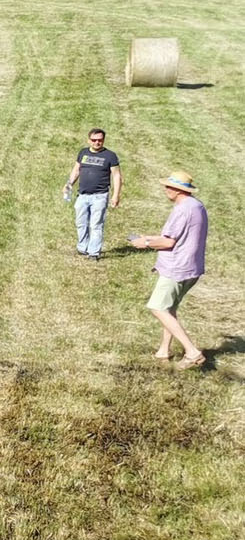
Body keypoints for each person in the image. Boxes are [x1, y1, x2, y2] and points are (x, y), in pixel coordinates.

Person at [128, 171, 208, 369]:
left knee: (158, 307)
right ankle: (164, 349)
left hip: (177, 269)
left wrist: (145, 242)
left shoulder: (181, 210)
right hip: (192, 268)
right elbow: (180, 236)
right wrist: (151, 237)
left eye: (168, 186)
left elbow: (168, 242)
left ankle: (192, 352)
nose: (165, 189)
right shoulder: (197, 206)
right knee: (170, 308)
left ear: (178, 189)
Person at [63, 128, 121, 259]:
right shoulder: (83, 153)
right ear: (89, 140)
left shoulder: (110, 156)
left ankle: (93, 252)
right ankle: (82, 247)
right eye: (94, 140)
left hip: (100, 196)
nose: (97, 142)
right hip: (82, 195)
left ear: (103, 140)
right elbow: (76, 170)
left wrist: (115, 195)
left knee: (96, 225)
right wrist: (68, 184)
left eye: (100, 140)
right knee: (81, 222)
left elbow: (117, 176)